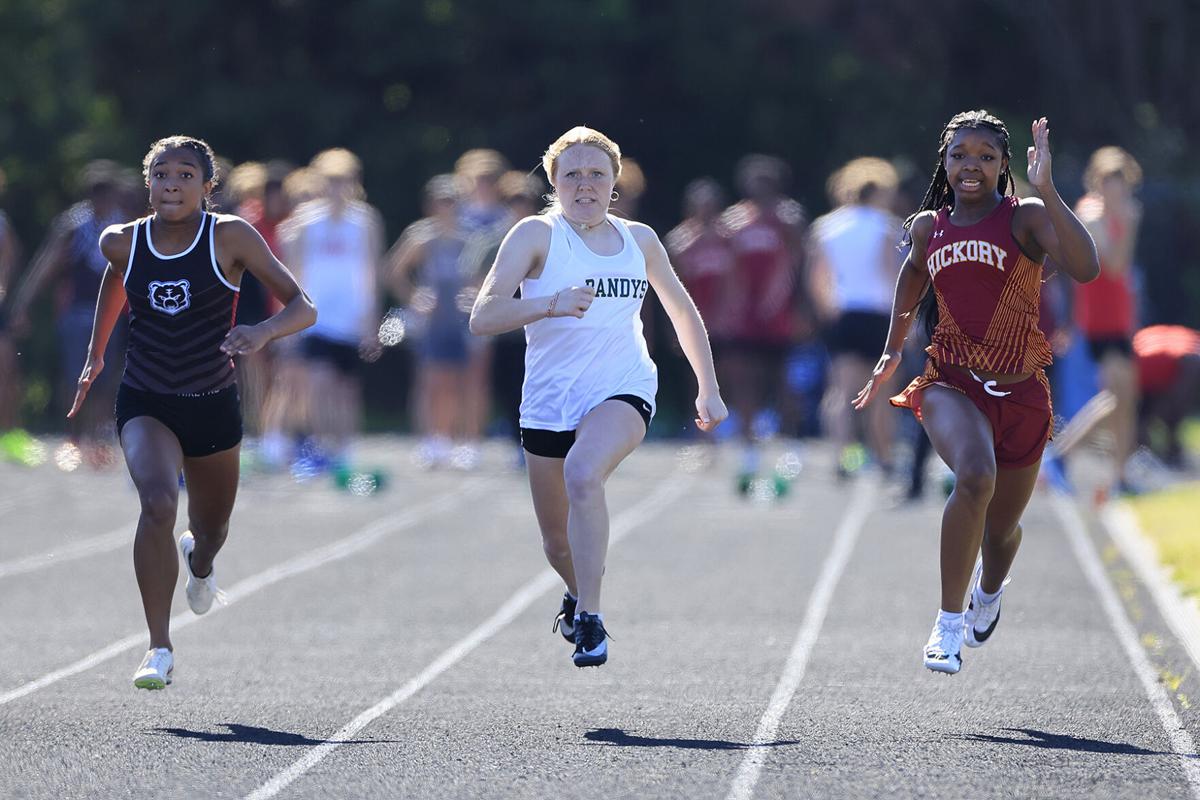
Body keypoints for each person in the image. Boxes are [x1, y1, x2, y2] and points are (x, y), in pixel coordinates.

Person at [469, 126, 727, 667]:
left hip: (623, 387)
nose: (585, 185)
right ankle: (576, 592)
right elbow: (484, 316)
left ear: (615, 183)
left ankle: (590, 617)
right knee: (556, 545)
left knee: (583, 473)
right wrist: (550, 304)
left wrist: (708, 387)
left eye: (596, 175)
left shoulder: (640, 239)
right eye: (573, 175)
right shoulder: (534, 236)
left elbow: (682, 311)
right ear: (554, 181)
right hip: (547, 401)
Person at [853, 112, 1099, 675]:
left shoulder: (1026, 217)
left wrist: (1049, 188)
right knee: (975, 477)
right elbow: (913, 276)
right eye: (961, 154)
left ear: (1003, 165)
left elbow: (1086, 268)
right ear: (944, 160)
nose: (972, 165)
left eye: (986, 156)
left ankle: (988, 590)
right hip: (951, 382)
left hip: (1022, 392)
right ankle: (946, 625)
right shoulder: (926, 226)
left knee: (1001, 528)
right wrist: (892, 350)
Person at [68, 135, 315, 689]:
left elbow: (303, 305)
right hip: (146, 397)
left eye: (184, 175)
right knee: (156, 502)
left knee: (211, 529)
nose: (171, 185)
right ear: (147, 183)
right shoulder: (122, 242)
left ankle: (199, 563)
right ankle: (158, 646)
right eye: (161, 175)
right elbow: (116, 283)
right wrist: (96, 355)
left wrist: (261, 331)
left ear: (208, 187)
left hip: (212, 402)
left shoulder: (230, 236)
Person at [9, 161, 132, 461]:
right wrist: (22, 306)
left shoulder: (124, 226)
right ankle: (74, 438)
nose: (101, 198)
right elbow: (46, 266)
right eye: (96, 192)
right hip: (77, 311)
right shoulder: (74, 225)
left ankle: (98, 437)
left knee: (106, 375)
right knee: (75, 373)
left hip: (113, 313)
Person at [281, 148, 384, 471]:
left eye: (344, 180)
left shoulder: (365, 221)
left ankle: (344, 450)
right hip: (316, 318)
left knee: (347, 391)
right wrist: (290, 319)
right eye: (330, 180)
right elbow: (292, 273)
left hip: (352, 319)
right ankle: (322, 445)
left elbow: (372, 273)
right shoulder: (305, 222)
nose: (337, 187)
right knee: (318, 385)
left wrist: (371, 321)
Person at [809, 157, 904, 477]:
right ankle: (884, 456)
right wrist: (906, 321)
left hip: (844, 313)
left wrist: (828, 312)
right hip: (879, 315)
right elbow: (892, 275)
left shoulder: (827, 226)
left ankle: (841, 457)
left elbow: (817, 278)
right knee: (882, 392)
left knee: (840, 390)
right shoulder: (886, 226)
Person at [721, 155, 807, 492]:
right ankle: (749, 454)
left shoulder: (789, 219)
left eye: (765, 182)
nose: (759, 188)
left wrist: (802, 309)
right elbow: (729, 273)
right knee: (745, 384)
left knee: (785, 384)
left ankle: (790, 447)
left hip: (780, 318)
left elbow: (800, 267)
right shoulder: (734, 221)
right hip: (744, 319)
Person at [387, 175, 479, 468]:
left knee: (465, 381)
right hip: (434, 318)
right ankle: (432, 440)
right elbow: (393, 270)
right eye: (440, 201)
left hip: (464, 316)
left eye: (451, 201)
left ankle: (464, 442)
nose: (446, 207)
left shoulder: (471, 237)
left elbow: (486, 274)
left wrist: (476, 294)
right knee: (431, 381)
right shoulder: (422, 236)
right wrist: (414, 297)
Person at [1072, 147, 1144, 494]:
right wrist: (1128, 225)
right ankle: (1063, 452)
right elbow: (1114, 265)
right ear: (1098, 181)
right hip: (1098, 319)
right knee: (1116, 395)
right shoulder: (1091, 213)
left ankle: (1121, 472)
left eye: (1121, 182)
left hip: (1120, 317)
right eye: (1109, 181)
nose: (1116, 189)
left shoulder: (1120, 213)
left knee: (1125, 396)